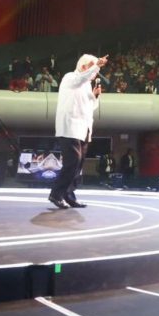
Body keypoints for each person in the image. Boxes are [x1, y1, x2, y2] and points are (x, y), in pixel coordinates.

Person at [50, 54, 108, 209]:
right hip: (70, 128)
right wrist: (97, 65)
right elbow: (80, 79)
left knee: (78, 165)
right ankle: (56, 194)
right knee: (72, 162)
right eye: (93, 69)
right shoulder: (70, 78)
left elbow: (89, 108)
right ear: (84, 67)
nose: (95, 74)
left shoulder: (86, 85)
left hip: (84, 129)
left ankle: (69, 195)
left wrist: (94, 97)